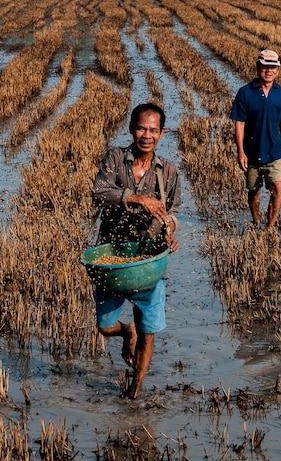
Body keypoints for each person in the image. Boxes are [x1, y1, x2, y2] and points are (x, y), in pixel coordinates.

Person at [91, 102, 181, 399]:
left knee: (149, 331)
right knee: (105, 327)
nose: (147, 135)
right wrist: (138, 198)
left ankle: (134, 391)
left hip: (150, 259)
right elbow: (99, 192)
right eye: (142, 128)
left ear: (162, 133)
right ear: (132, 130)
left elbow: (173, 213)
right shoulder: (115, 158)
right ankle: (124, 331)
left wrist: (170, 232)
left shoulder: (168, 171)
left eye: (153, 130)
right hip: (113, 255)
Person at [230, 49, 281, 230]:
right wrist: (241, 152)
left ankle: (270, 228)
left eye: (273, 67)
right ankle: (256, 221)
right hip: (252, 151)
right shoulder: (245, 93)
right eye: (265, 66)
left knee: (277, 188)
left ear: (278, 70)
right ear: (258, 67)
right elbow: (239, 124)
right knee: (254, 192)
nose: (269, 70)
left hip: (275, 151)